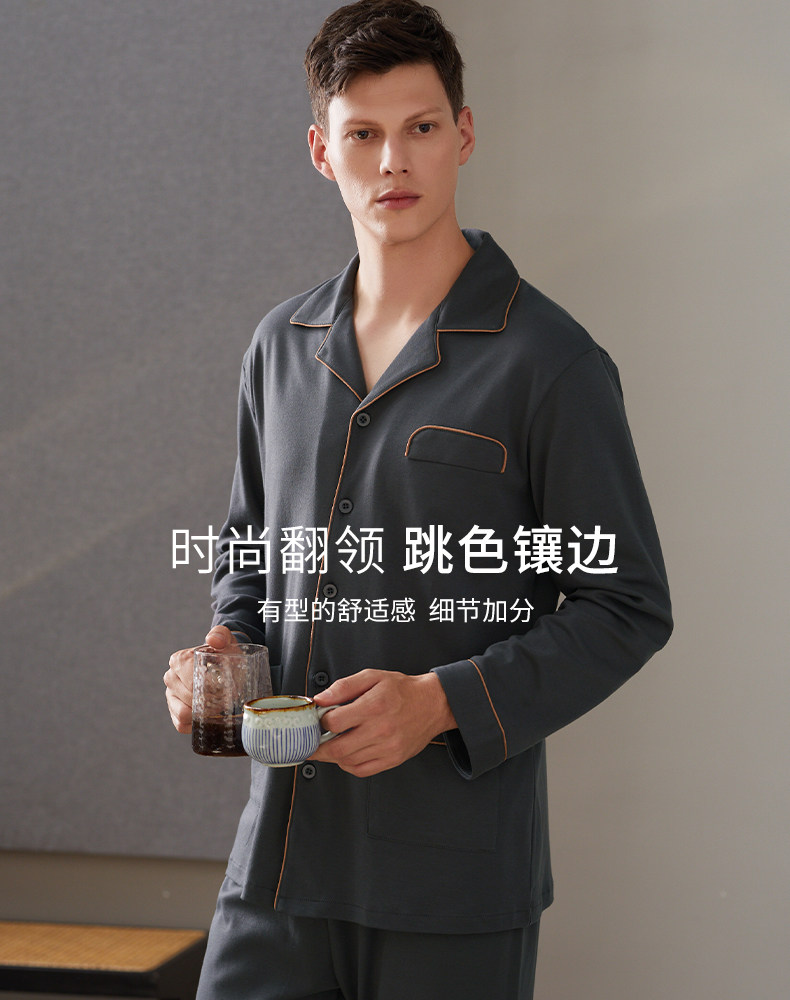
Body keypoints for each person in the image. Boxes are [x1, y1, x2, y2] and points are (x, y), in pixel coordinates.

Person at [163, 2, 673, 997]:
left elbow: (626, 606)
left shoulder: (550, 362)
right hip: (279, 868)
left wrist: (441, 703)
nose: (393, 160)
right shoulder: (278, 348)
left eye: (421, 127)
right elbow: (249, 558)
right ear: (323, 151)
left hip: (454, 885)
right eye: (363, 133)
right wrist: (221, 657)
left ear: (463, 135)